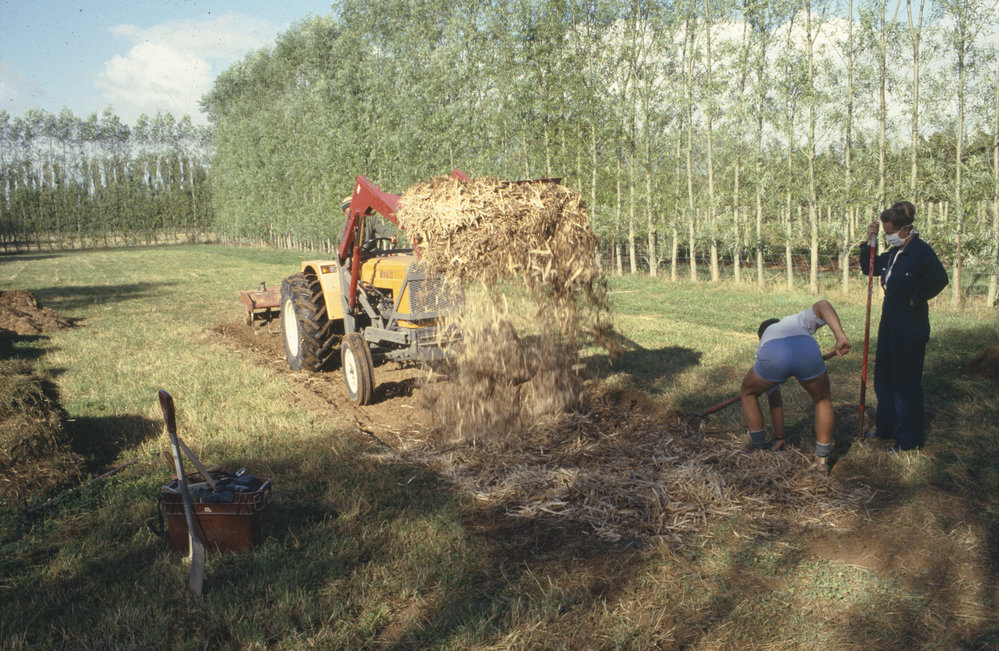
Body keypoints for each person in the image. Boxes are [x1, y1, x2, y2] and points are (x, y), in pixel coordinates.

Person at [860, 201, 948, 452]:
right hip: (889, 316)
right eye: (885, 232)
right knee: (884, 377)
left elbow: (940, 278)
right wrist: (871, 240)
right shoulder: (895, 253)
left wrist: (916, 297)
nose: (888, 237)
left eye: (889, 232)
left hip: (910, 320)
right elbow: (871, 268)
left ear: (905, 229)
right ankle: (886, 427)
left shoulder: (921, 251)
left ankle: (908, 440)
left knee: (905, 382)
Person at [740, 300, 851, 475]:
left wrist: (779, 437)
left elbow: (774, 399)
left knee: (748, 392)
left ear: (760, 337)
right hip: (807, 350)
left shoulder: (764, 342)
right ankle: (821, 461)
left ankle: (759, 448)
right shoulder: (797, 320)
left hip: (773, 354)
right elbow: (823, 304)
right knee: (822, 399)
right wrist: (840, 336)